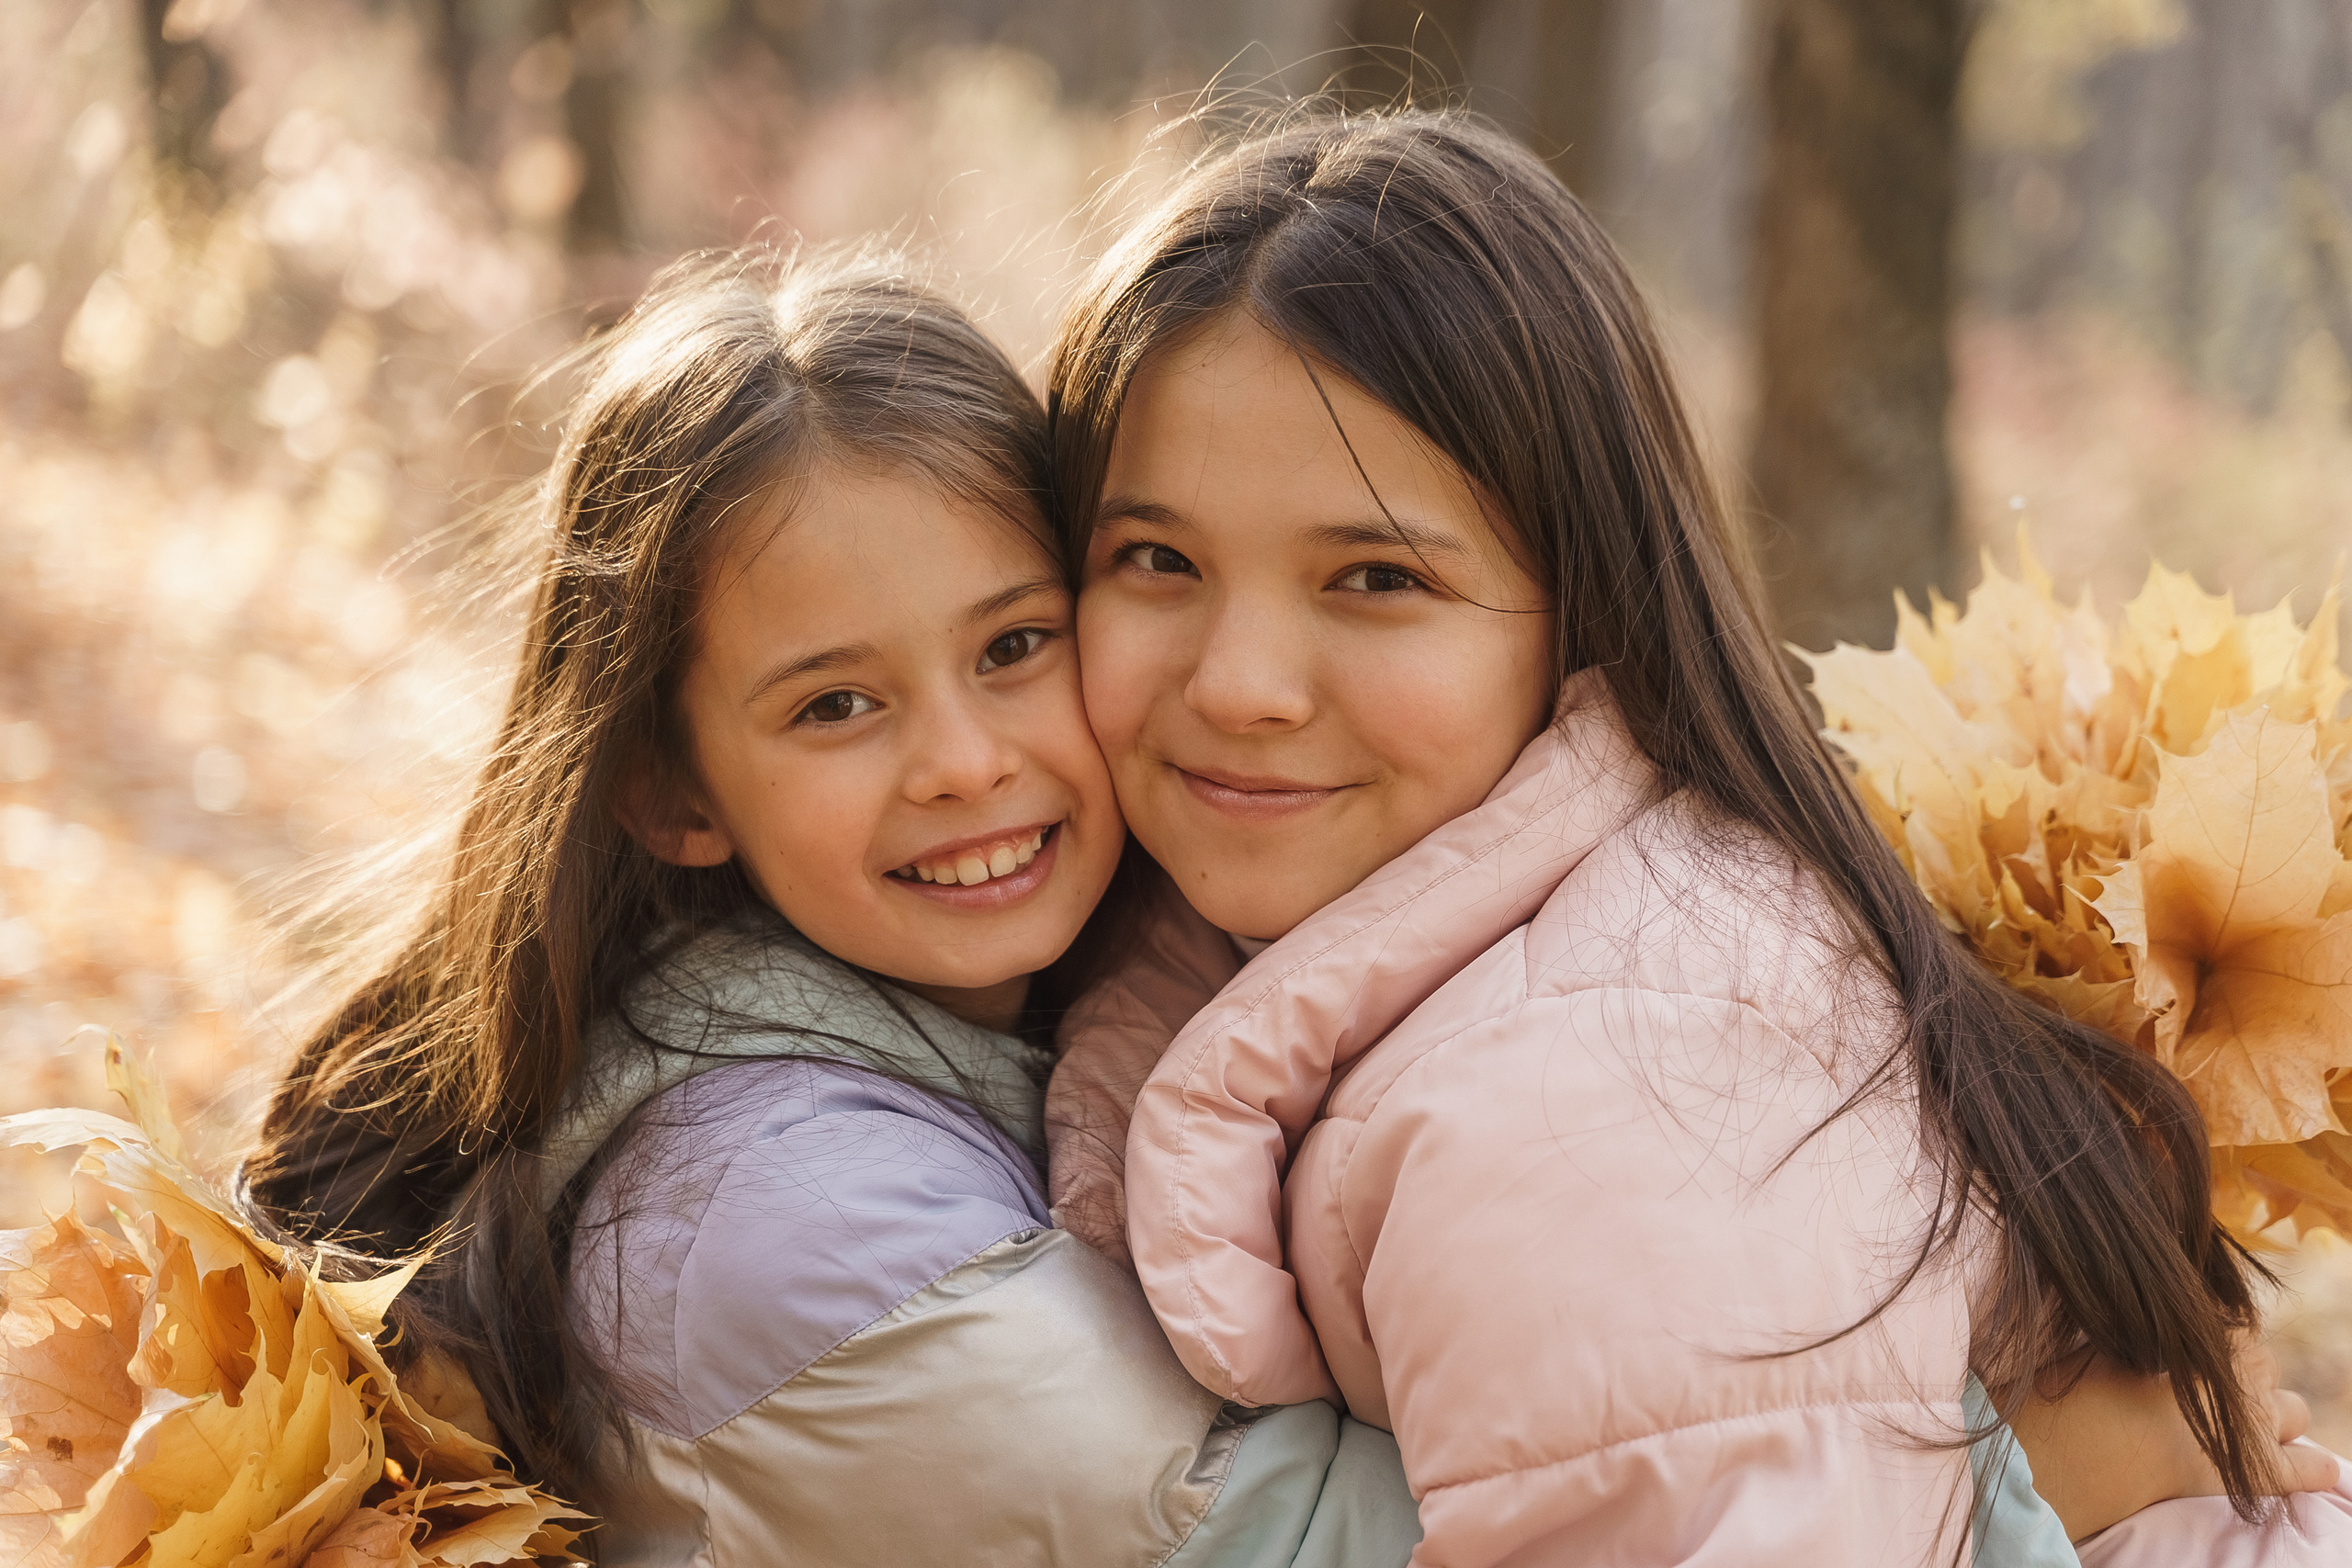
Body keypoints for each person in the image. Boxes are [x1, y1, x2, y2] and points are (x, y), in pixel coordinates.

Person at [1041, 110, 2352, 1564]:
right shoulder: (1425, 943)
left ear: (1584, 603)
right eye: (1155, 559)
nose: (1239, 684)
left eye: (1373, 577)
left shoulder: (1592, 1092)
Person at [242, 250, 1420, 1565]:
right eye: (835, 706)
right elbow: (1335, 1537)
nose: (965, 762)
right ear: (673, 795)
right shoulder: (789, 1226)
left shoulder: (1074, 1013)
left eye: (1014, 646)